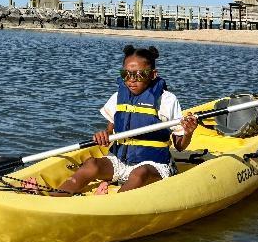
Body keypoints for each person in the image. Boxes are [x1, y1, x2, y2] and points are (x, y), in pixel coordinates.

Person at [51, 45, 198, 196]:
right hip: (120, 160)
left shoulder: (167, 100)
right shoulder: (118, 97)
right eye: (126, 74)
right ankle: (56, 197)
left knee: (139, 174)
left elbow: (180, 146)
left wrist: (188, 132)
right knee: (92, 164)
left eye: (139, 75)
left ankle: (107, 207)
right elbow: (110, 130)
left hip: (153, 165)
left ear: (153, 74)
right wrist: (104, 135)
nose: (131, 80)